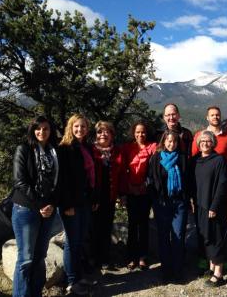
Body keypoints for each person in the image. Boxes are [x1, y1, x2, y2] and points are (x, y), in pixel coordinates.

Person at [11, 116, 59, 297]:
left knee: (40, 257)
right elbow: (19, 181)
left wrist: (52, 204)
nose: (42, 132)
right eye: (38, 128)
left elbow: (58, 183)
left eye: (46, 128)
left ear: (50, 131)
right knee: (26, 258)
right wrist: (40, 204)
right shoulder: (23, 149)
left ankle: (35, 293)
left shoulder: (54, 152)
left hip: (48, 210)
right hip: (26, 210)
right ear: (32, 130)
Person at [58, 114, 97, 295]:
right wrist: (67, 204)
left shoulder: (86, 147)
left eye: (83, 127)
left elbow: (90, 176)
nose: (80, 130)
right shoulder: (65, 149)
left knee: (79, 240)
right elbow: (62, 179)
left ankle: (77, 276)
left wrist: (93, 198)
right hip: (71, 203)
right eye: (76, 127)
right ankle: (71, 281)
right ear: (70, 127)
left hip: (84, 201)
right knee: (71, 242)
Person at [147, 130, 191, 283]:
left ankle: (178, 271)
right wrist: (156, 199)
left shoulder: (183, 158)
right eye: (169, 141)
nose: (171, 144)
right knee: (164, 236)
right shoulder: (156, 158)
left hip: (179, 203)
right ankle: (166, 271)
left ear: (178, 143)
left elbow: (189, 180)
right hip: (162, 203)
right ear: (163, 142)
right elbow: (151, 180)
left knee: (178, 236)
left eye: (174, 142)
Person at [193, 130, 227, 287]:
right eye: (202, 141)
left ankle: (219, 274)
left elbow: (222, 184)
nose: (205, 143)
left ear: (213, 143)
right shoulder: (195, 161)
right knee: (205, 237)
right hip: (200, 205)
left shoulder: (219, 160)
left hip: (214, 207)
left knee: (215, 237)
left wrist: (214, 206)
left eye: (208, 141)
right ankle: (211, 267)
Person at [121, 121, 157, 270]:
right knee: (132, 224)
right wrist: (127, 189)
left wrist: (144, 185)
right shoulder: (127, 148)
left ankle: (143, 256)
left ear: (146, 133)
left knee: (143, 223)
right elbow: (122, 169)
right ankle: (131, 256)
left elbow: (155, 169)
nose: (140, 134)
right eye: (137, 132)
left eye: (143, 132)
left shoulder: (152, 147)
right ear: (133, 133)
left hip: (145, 191)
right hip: (130, 191)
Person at [91, 121, 124, 269]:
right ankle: (92, 259)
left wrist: (122, 194)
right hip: (93, 198)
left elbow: (122, 174)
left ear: (112, 135)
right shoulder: (90, 150)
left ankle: (104, 258)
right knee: (92, 228)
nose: (103, 134)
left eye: (107, 132)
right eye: (100, 132)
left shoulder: (116, 151)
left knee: (106, 228)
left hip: (109, 196)